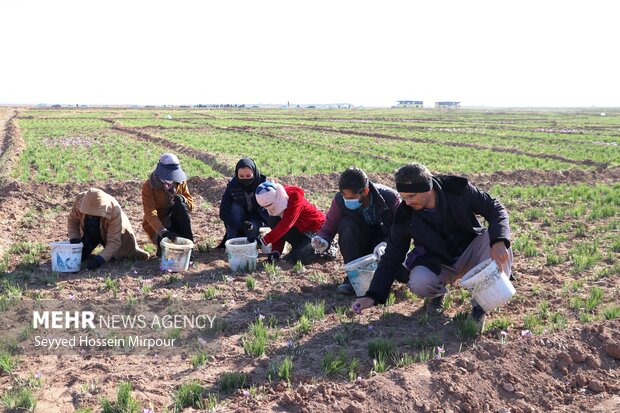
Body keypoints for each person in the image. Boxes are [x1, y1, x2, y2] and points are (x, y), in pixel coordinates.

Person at [351, 163, 512, 331]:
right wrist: (372, 295)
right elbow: (392, 254)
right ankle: (435, 295)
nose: (407, 201)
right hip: (438, 260)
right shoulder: (405, 213)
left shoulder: (457, 190)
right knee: (419, 282)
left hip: (470, 249)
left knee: (493, 237)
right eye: (404, 196)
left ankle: (480, 307)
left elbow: (495, 208)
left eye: (412, 196)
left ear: (428, 189)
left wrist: (499, 241)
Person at [311, 167, 403, 295]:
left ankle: (385, 276)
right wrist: (322, 240)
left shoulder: (390, 198)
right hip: (359, 244)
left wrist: (387, 244)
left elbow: (402, 230)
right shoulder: (339, 200)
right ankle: (353, 278)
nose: (348, 200)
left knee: (406, 275)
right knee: (346, 225)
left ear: (365, 191)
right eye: (345, 196)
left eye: (352, 197)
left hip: (384, 246)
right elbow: (330, 225)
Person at [68, 188, 149, 270]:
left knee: (119, 255)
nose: (91, 216)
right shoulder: (80, 200)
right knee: (79, 256)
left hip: (119, 235)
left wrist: (99, 259)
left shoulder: (114, 210)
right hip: (91, 231)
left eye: (94, 215)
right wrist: (75, 241)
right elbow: (73, 221)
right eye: (88, 214)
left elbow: (114, 241)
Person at [255, 181, 331, 265]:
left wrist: (264, 241)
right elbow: (278, 228)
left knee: (299, 258)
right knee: (273, 221)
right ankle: (300, 249)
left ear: (276, 197)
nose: (270, 209)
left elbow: (286, 224)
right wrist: (276, 252)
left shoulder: (294, 197)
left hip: (317, 231)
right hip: (300, 232)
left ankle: (316, 249)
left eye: (270, 205)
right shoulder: (275, 207)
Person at [142, 153, 194, 256]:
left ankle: (189, 249)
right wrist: (163, 231)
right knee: (165, 253)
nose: (171, 181)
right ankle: (161, 246)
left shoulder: (180, 182)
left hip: (177, 220)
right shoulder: (149, 186)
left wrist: (182, 200)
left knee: (179, 200)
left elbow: (191, 204)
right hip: (159, 224)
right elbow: (150, 212)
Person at [218, 158, 267, 247]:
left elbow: (269, 210)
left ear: (254, 173)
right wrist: (239, 224)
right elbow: (223, 212)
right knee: (235, 207)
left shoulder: (263, 185)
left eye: (248, 176)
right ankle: (231, 244)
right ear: (237, 175)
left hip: (256, 218)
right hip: (237, 219)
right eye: (241, 176)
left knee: (252, 234)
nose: (245, 179)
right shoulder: (232, 186)